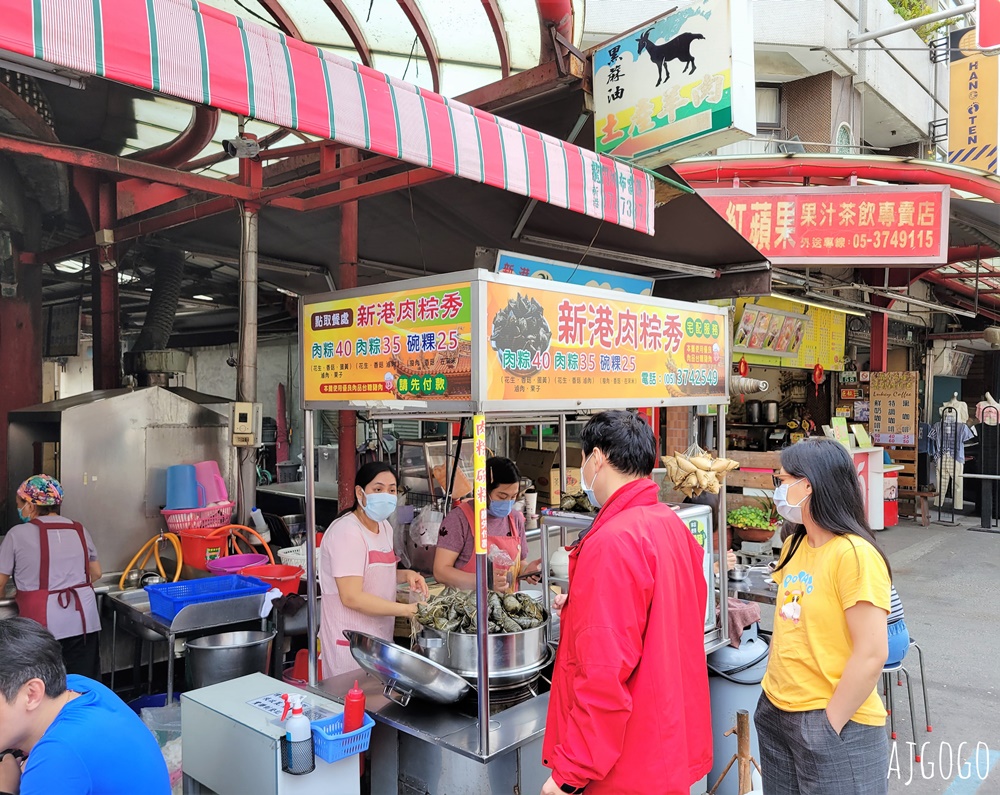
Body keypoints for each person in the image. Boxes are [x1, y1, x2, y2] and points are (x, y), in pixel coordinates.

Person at [541, 411, 712, 795]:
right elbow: (669, 612)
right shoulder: (668, 523)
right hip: (665, 743)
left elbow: (603, 674)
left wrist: (569, 774)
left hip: (626, 764)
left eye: (583, 460)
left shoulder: (614, 540)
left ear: (597, 458)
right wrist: (585, 602)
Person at [756, 437, 891, 795]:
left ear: (808, 485)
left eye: (782, 480)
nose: (778, 490)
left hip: (832, 721)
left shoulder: (854, 555)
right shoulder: (793, 544)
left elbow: (872, 652)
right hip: (776, 709)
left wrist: (828, 725)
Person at [0, 617, 170, 795]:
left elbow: (60, 761)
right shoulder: (78, 686)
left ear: (32, 694)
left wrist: (5, 789)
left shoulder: (57, 755)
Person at [319, 462, 428, 677]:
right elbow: (351, 597)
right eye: (378, 489)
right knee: (353, 704)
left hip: (378, 640)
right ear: (360, 492)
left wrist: (406, 575)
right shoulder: (347, 532)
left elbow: (374, 572)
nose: (386, 495)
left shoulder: (384, 527)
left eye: (392, 490)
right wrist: (406, 610)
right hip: (350, 645)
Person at [0, 475, 102, 678]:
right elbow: (96, 573)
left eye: (19, 504)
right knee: (81, 684)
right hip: (83, 622)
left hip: (42, 625)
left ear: (30, 505)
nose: (18, 509)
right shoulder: (79, 529)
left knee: (45, 685)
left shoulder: (16, 534)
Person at [433, 456, 533, 592]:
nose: (508, 502)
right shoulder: (458, 519)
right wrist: (484, 582)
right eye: (502, 497)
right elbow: (441, 571)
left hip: (508, 606)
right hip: (468, 606)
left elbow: (520, 563)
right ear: (483, 491)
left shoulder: (515, 519)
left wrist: (529, 570)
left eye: (513, 496)